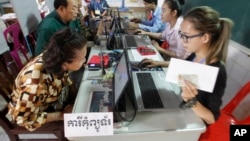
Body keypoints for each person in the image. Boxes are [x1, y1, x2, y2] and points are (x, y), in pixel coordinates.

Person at [8, 27, 88, 131]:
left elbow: (63, 81)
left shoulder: (56, 57)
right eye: (82, 58)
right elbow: (22, 119)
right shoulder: (35, 84)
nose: (85, 60)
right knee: (80, 127)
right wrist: (59, 116)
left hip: (50, 102)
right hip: (31, 116)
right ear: (65, 63)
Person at [178, 6, 233, 125]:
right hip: (182, 110)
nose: (182, 41)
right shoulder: (194, 55)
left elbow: (212, 118)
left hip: (194, 123)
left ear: (205, 38)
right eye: (181, 34)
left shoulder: (217, 71)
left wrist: (190, 100)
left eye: (186, 36)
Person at [137, 0, 187, 67]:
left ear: (174, 13)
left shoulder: (180, 30)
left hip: (176, 64)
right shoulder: (170, 24)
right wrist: (146, 33)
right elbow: (162, 35)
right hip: (168, 59)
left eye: (164, 11)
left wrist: (159, 49)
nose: (161, 14)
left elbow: (180, 56)